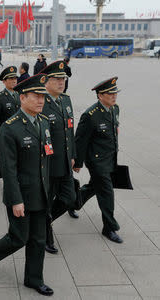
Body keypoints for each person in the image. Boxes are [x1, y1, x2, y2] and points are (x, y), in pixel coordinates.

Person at [0, 74, 54, 296]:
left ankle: (34, 279)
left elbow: (46, 158)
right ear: (22, 98)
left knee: (38, 239)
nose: (41, 100)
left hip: (41, 193)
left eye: (43, 96)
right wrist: (15, 199)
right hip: (21, 196)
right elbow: (8, 169)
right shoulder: (10, 128)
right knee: (18, 238)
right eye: (36, 96)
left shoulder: (43, 122)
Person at [74, 77, 123, 244]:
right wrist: (78, 162)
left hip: (110, 158)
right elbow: (80, 141)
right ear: (100, 95)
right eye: (110, 93)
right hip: (96, 162)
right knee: (107, 193)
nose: (114, 96)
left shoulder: (114, 109)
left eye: (115, 92)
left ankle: (72, 202)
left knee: (94, 187)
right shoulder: (90, 115)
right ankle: (109, 227)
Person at [40, 61, 77, 254]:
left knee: (69, 198)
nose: (61, 82)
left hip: (65, 162)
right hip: (48, 164)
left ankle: (45, 221)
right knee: (47, 201)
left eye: (63, 79)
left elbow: (70, 131)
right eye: (57, 79)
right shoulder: (40, 102)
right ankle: (46, 233)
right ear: (46, 80)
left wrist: (74, 156)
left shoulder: (65, 100)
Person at [0, 66, 20, 185]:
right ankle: (9, 182)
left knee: (16, 159)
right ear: (4, 81)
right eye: (10, 79)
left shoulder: (18, 95)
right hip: (5, 135)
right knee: (8, 160)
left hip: (18, 134)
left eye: (15, 78)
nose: (13, 81)